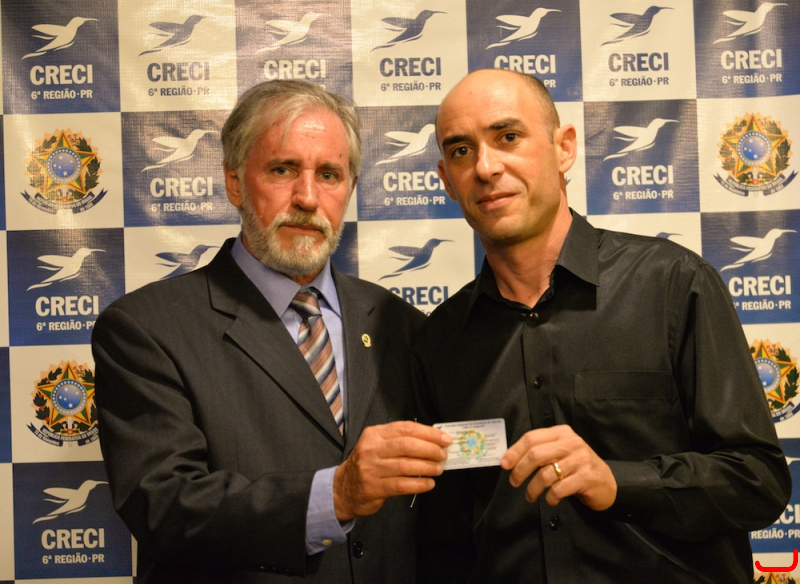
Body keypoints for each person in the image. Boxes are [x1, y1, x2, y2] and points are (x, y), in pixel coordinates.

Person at [413, 68, 791, 583]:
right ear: (445, 180)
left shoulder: (673, 286)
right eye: (461, 150)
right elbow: (446, 539)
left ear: (564, 148)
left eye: (508, 137)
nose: (485, 166)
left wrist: (618, 482)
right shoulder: (440, 340)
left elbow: (758, 481)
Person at [91, 79, 451, 584]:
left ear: (349, 189)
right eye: (282, 170)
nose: (307, 197)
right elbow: (164, 508)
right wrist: (336, 495)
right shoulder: (145, 329)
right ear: (235, 182)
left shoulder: (402, 323)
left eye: (329, 174)